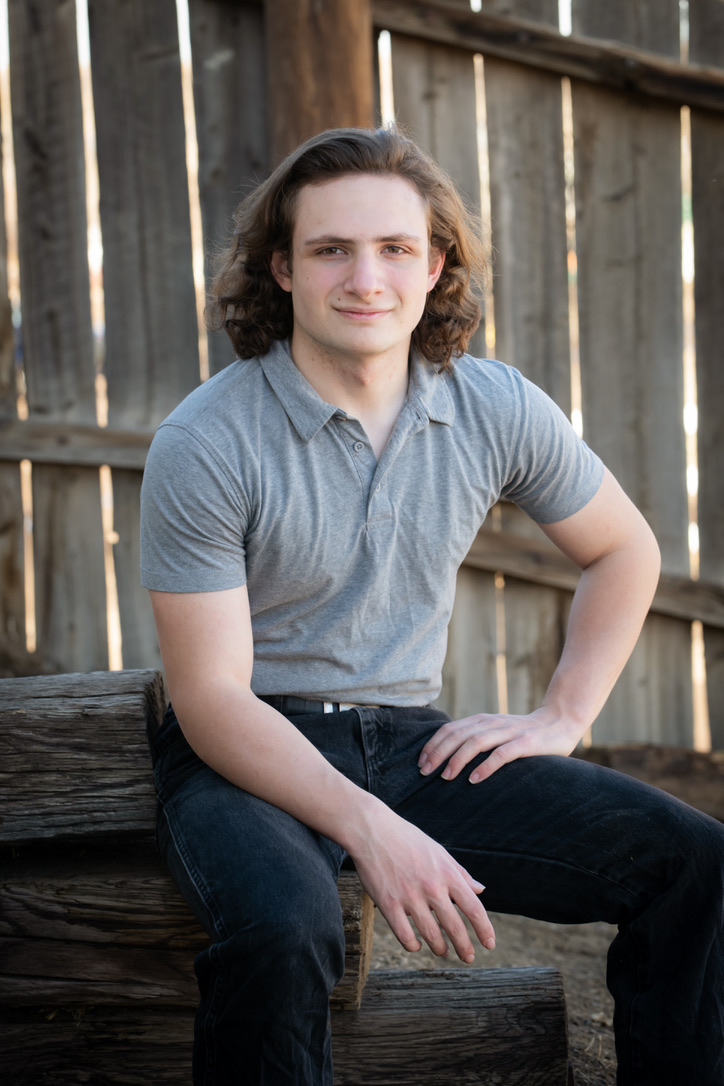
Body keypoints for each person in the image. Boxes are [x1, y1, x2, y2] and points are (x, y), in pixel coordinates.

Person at [140, 126, 724, 1086]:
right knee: (287, 929)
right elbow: (211, 702)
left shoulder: (491, 406)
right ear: (281, 269)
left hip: (414, 744)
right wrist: (372, 828)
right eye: (331, 249)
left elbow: (624, 549)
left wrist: (562, 717)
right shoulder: (208, 440)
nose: (365, 277)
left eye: (395, 248)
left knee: (692, 860)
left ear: (436, 264)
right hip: (244, 754)